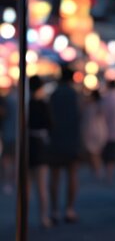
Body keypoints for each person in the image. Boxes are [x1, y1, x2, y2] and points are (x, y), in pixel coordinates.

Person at [48, 65, 82, 223]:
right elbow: (79, 116)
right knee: (72, 175)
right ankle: (69, 209)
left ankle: (54, 210)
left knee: (54, 176)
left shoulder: (54, 94)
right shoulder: (75, 95)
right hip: (72, 138)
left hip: (55, 138)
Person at [28, 76, 53, 228]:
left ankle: (24, 216)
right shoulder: (44, 104)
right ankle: (43, 217)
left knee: (27, 186)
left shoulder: (27, 104)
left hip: (28, 144)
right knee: (42, 185)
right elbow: (51, 124)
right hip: (40, 145)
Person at [82, 90, 108, 179]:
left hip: (92, 131)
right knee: (97, 152)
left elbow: (87, 121)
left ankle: (96, 171)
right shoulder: (101, 106)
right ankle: (98, 170)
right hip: (101, 132)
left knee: (93, 153)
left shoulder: (90, 107)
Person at [0, 86, 17, 194]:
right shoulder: (17, 100)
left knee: (7, 159)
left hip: (8, 133)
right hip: (14, 134)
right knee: (13, 159)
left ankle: (8, 181)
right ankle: (12, 181)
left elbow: (3, 113)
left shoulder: (7, 101)